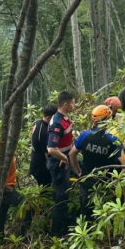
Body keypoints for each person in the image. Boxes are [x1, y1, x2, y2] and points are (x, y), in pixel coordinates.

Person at [69, 105, 125, 220]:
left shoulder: (85, 136)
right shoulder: (113, 140)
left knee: (85, 210)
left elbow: (72, 154)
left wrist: (78, 171)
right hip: (105, 182)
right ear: (108, 120)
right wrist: (116, 181)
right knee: (105, 214)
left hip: (86, 179)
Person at [0, 139, 33, 238]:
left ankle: (0, 238)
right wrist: (5, 186)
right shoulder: (5, 149)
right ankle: (25, 236)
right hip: (5, 187)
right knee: (27, 205)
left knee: (2, 211)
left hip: (3, 186)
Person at [47, 91, 75, 237]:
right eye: (72, 103)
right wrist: (64, 158)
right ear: (65, 105)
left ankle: (65, 220)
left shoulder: (63, 118)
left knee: (65, 192)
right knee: (60, 195)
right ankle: (55, 232)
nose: (74, 105)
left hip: (66, 158)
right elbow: (51, 148)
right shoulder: (56, 123)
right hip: (58, 163)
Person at [29, 104, 58, 187]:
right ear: (48, 117)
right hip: (40, 166)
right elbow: (47, 154)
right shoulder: (44, 131)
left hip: (35, 162)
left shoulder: (38, 123)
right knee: (46, 190)